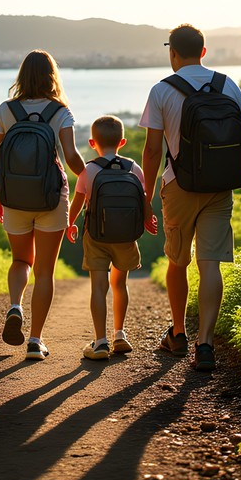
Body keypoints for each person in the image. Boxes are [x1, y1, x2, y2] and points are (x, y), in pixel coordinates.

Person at [140, 24, 241, 372]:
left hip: (178, 186)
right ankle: (205, 345)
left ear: (173, 54)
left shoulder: (162, 90)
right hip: (221, 186)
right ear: (204, 52)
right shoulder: (229, 85)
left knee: (178, 261)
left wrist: (146, 198)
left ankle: (178, 334)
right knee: (210, 263)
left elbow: (151, 151)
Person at [0, 50, 86, 361]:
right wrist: (90, 174)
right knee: (45, 271)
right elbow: (70, 158)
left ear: (21, 76)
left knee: (21, 261)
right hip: (51, 197)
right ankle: (34, 340)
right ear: (51, 76)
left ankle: (15, 305)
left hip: (14, 197)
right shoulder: (60, 112)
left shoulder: (6, 110)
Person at [66, 115, 158, 360]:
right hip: (126, 236)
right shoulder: (133, 167)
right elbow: (143, 198)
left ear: (92, 142)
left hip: (96, 236)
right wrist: (148, 218)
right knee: (120, 284)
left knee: (99, 286)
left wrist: (69, 224)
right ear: (123, 142)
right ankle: (119, 334)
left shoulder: (90, 170)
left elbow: (77, 202)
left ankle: (101, 342)